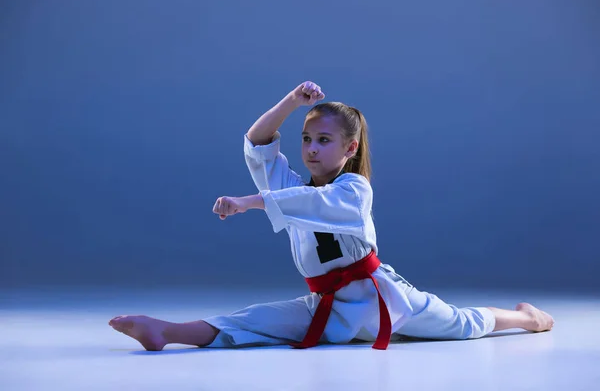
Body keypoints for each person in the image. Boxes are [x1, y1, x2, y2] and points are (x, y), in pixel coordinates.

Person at [109, 81, 554, 351]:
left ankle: (528, 318)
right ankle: (164, 330)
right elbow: (258, 142)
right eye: (306, 139)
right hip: (328, 306)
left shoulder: (354, 189)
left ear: (350, 148)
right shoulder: (293, 186)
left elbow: (311, 206)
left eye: (324, 140)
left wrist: (248, 202)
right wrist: (291, 101)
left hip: (385, 302)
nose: (312, 149)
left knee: (461, 324)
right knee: (253, 321)